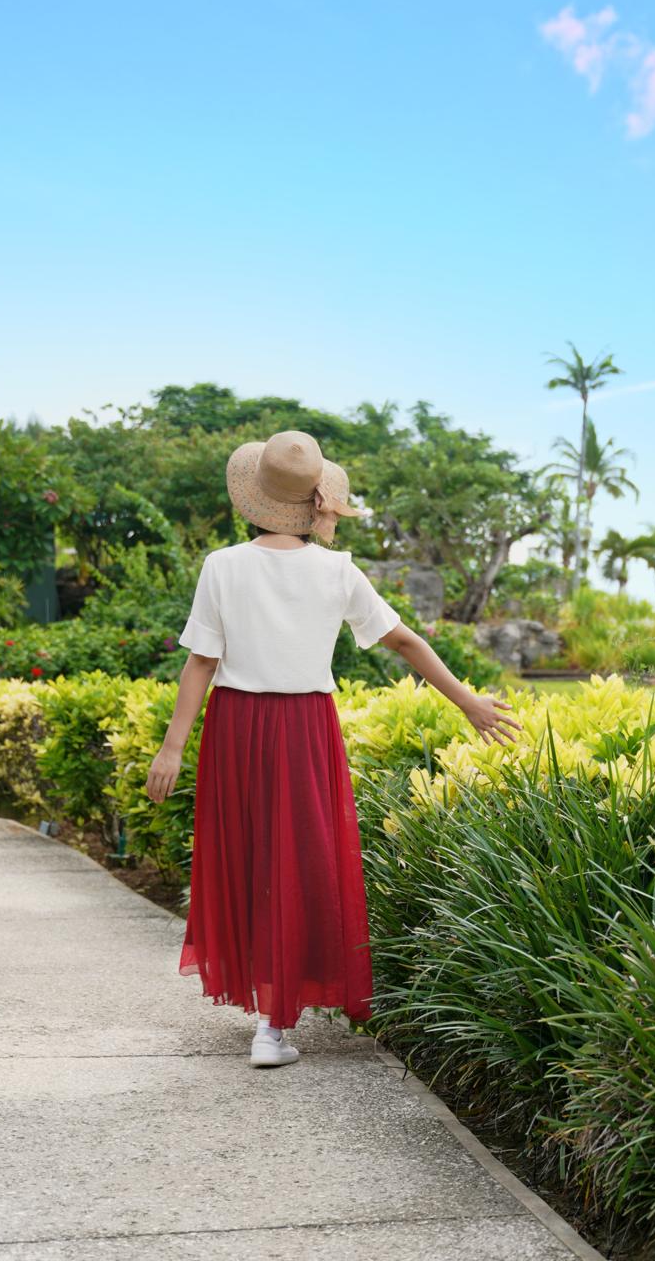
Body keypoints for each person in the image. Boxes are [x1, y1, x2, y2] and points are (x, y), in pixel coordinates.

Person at [143, 431, 518, 1067]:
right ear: (318, 500)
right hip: (305, 727)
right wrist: (469, 703)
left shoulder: (222, 565)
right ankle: (274, 1026)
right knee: (297, 861)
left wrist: (171, 748)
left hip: (236, 728)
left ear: (256, 497)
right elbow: (405, 643)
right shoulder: (336, 570)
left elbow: (201, 662)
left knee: (250, 857)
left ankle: (267, 1017)